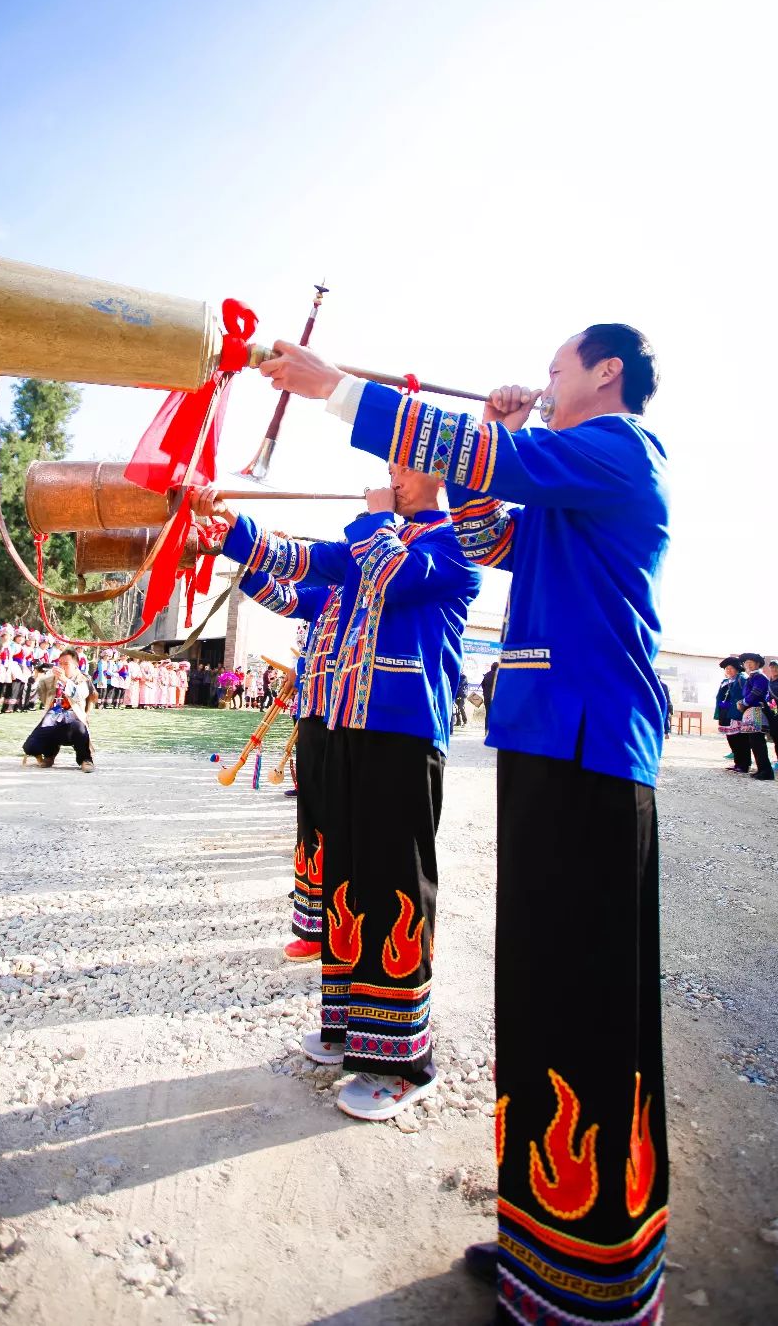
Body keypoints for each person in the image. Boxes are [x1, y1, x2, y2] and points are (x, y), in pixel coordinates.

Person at [260, 323, 670, 1318]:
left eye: (560, 362)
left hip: (592, 747)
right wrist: (488, 471)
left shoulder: (619, 449)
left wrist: (338, 391)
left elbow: (490, 468)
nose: (545, 376)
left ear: (605, 371)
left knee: (589, 1012)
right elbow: (491, 534)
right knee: (539, 1003)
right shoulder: (566, 478)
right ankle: (544, 1248)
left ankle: (602, 1284)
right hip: (545, 741)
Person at [197, 462, 480, 1121]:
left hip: (402, 739)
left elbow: (394, 575)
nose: (393, 479)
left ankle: (402, 1063)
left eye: (406, 470)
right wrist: (226, 528)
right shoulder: (365, 548)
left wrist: (378, 517)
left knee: (393, 892)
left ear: (440, 479)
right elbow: (298, 560)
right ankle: (350, 1028)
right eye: (390, 471)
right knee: (348, 889)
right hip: (346, 732)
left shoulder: (456, 542)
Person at [216, 549, 346, 964]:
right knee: (313, 822)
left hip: (359, 720)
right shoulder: (326, 593)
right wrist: (243, 554)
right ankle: (313, 927)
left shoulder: (388, 586)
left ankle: (349, 929)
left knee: (353, 825)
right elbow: (281, 596)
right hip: (313, 714)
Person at [22, 648, 95, 770]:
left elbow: (80, 695)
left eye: (66, 664)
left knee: (80, 729)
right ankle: (49, 755)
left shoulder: (83, 679)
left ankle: (85, 759)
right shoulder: (50, 679)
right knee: (30, 746)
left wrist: (65, 680)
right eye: (60, 663)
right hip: (53, 718)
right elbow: (32, 695)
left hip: (73, 720)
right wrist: (36, 675)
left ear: (76, 665)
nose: (62, 666)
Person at [737, 653, 776, 780]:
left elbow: (756, 693)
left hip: (757, 711)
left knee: (758, 742)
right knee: (754, 742)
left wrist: (743, 702)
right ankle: (761, 769)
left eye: (751, 662)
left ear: (758, 664)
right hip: (751, 711)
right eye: (746, 662)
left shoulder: (760, 677)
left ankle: (766, 771)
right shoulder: (751, 678)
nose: (748, 664)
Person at [715, 657, 748, 770]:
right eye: (726, 668)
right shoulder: (725, 681)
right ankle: (737, 763)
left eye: (731, 668)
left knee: (740, 739)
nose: (728, 670)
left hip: (737, 713)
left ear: (737, 669)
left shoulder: (742, 679)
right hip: (726, 712)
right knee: (731, 738)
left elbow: (745, 694)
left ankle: (744, 764)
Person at [480, 659, 498, 733]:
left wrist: (485, 692)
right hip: (495, 698)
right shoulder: (498, 675)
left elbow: (482, 685)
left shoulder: (487, 674)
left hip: (487, 698)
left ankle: (486, 730)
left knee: (488, 714)